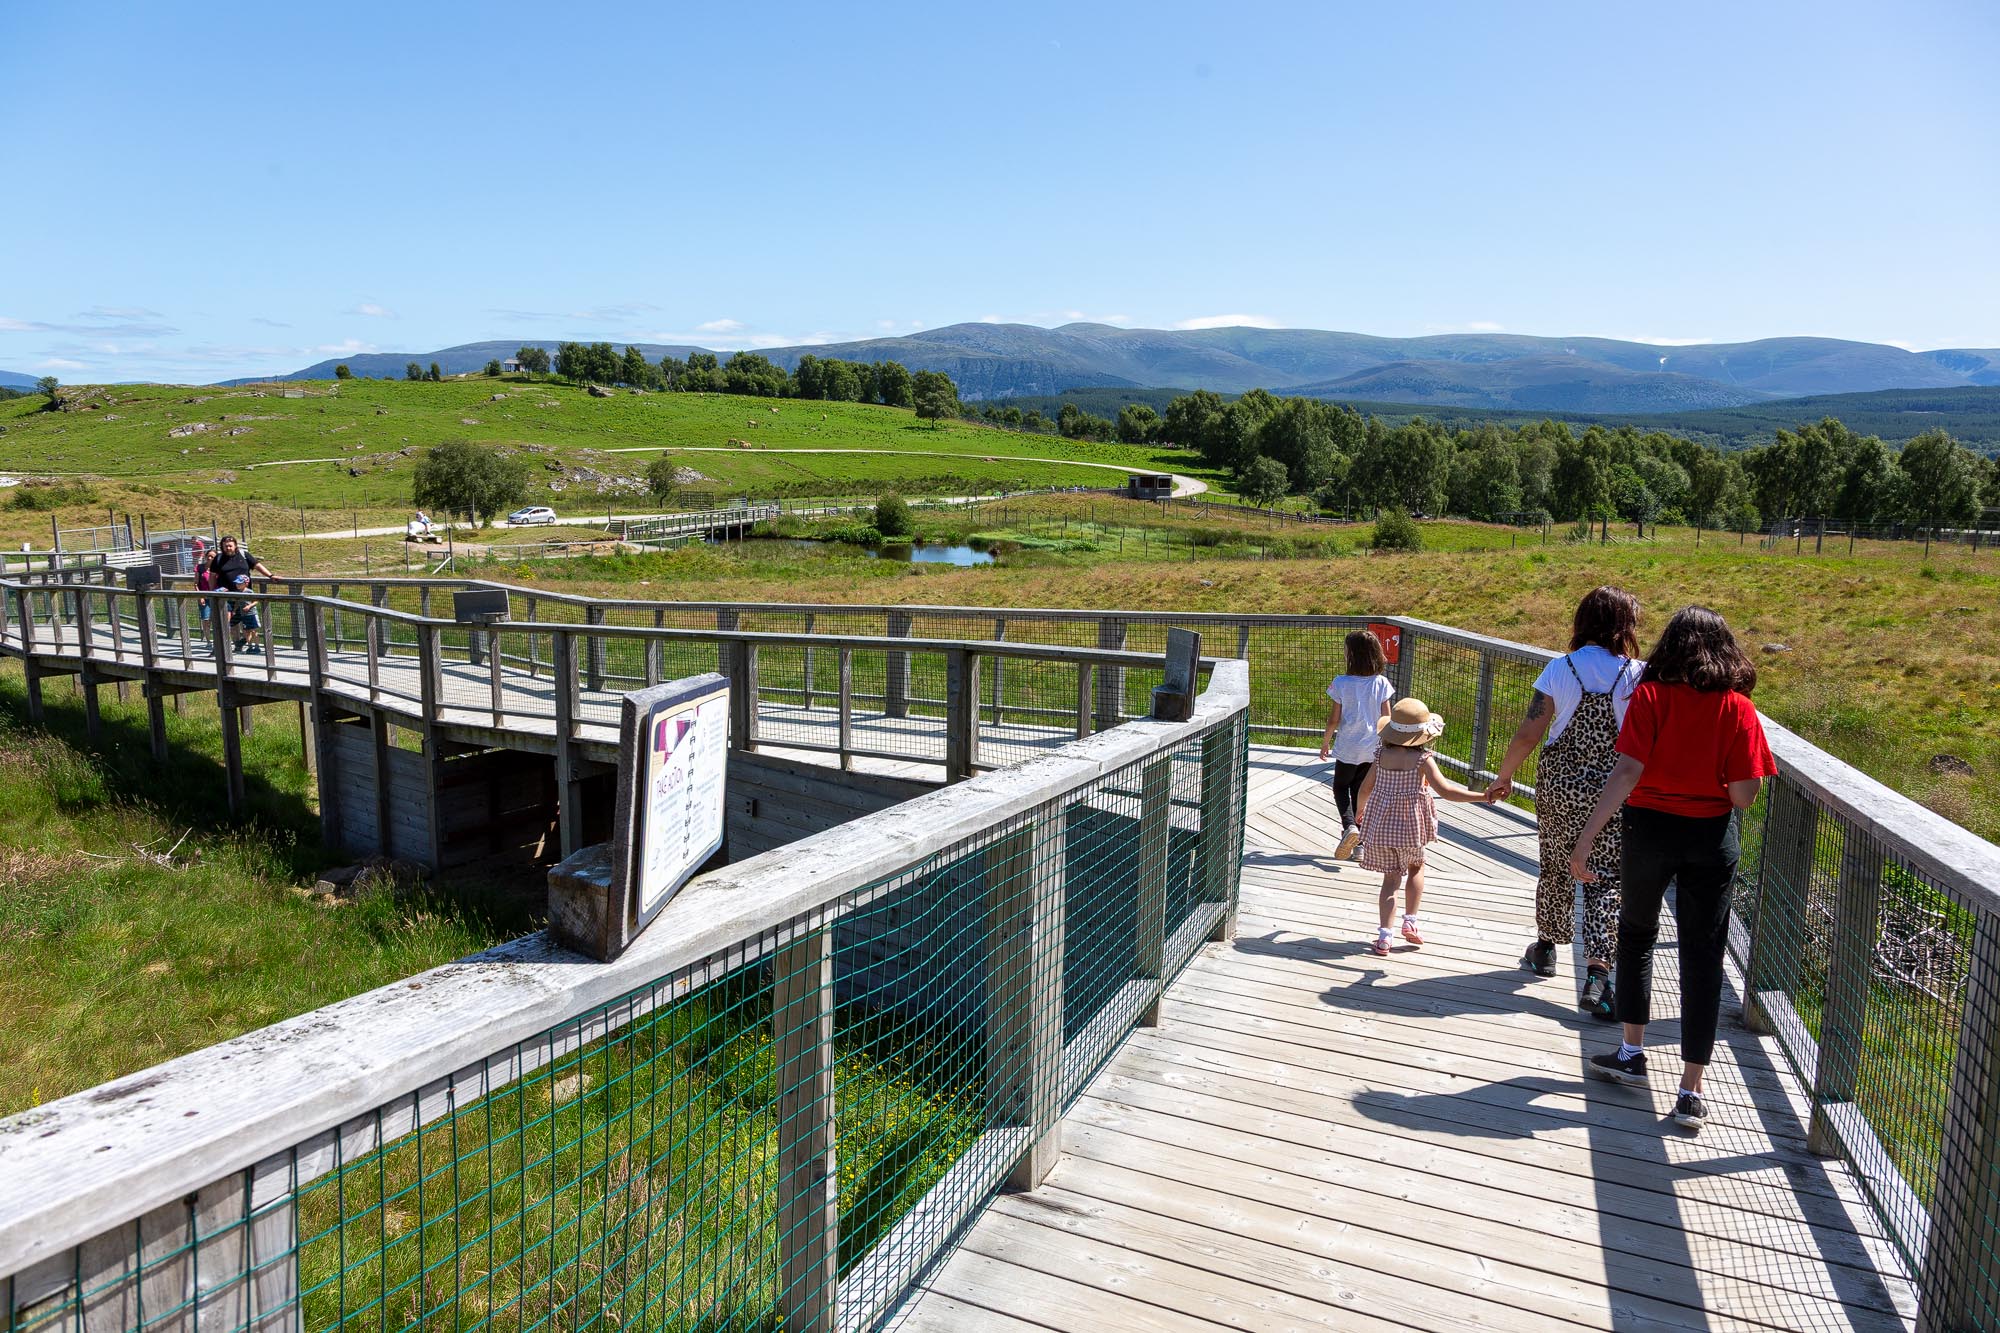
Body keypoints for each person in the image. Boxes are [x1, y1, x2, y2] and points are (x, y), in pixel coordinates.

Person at [1570, 606, 1777, 1133]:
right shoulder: (1739, 708)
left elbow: (1627, 771)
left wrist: (1587, 837)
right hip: (1711, 838)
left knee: (1637, 935)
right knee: (1703, 958)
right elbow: (1744, 796)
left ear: (1671, 645)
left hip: (1649, 832)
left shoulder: (1650, 697)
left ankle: (1630, 1053)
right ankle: (1690, 1091)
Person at [1486, 586, 1645, 1018]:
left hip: (1559, 784)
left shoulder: (1560, 668)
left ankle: (1546, 948)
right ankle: (1598, 974)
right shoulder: (1638, 674)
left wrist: (1504, 775)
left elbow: (1529, 733)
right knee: (1604, 877)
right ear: (1624, 625)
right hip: (1614, 787)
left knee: (1555, 864)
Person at [1354, 698, 1495, 957]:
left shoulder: (1380, 755)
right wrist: (1482, 796)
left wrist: (1359, 811)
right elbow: (1447, 791)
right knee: (1416, 867)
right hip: (1411, 829)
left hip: (1382, 827)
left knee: (1390, 880)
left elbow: (1365, 788)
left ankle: (1384, 937)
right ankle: (1410, 921)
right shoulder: (1422, 759)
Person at [1319, 629, 1396, 860]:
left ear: (1351, 654)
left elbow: (1334, 719)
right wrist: (1389, 745)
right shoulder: (1381, 683)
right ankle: (1360, 846)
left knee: (1341, 787)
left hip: (1348, 746)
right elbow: (1387, 718)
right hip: (1372, 747)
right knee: (1361, 791)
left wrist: (1325, 741)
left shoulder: (1341, 683)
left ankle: (1349, 826)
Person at [226, 573, 263, 654]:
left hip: (251, 614)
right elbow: (237, 602)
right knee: (246, 631)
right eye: (237, 583)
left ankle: (257, 646)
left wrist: (249, 606)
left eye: (240, 583)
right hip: (244, 615)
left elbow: (256, 601)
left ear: (246, 583)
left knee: (253, 630)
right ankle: (250, 646)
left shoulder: (249, 591)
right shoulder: (238, 592)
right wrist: (234, 610)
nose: (237, 585)